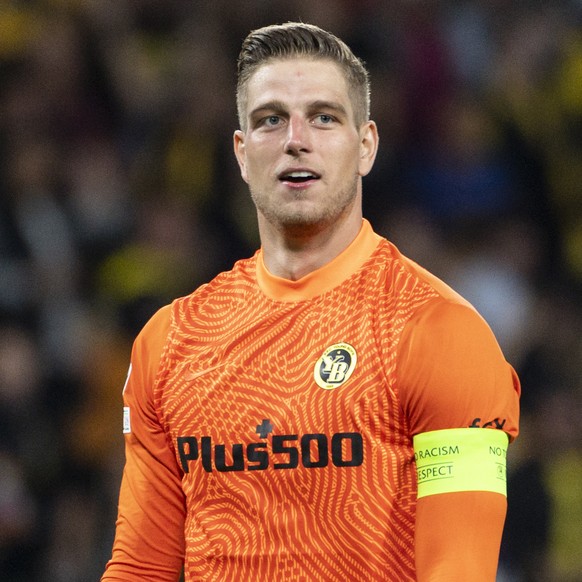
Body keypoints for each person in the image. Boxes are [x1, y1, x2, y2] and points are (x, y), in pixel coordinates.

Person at [101, 22, 520, 581]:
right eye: (270, 119)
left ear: (366, 146)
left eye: (323, 117)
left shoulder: (440, 333)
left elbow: (458, 569)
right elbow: (140, 568)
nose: (295, 139)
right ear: (242, 153)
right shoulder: (168, 343)